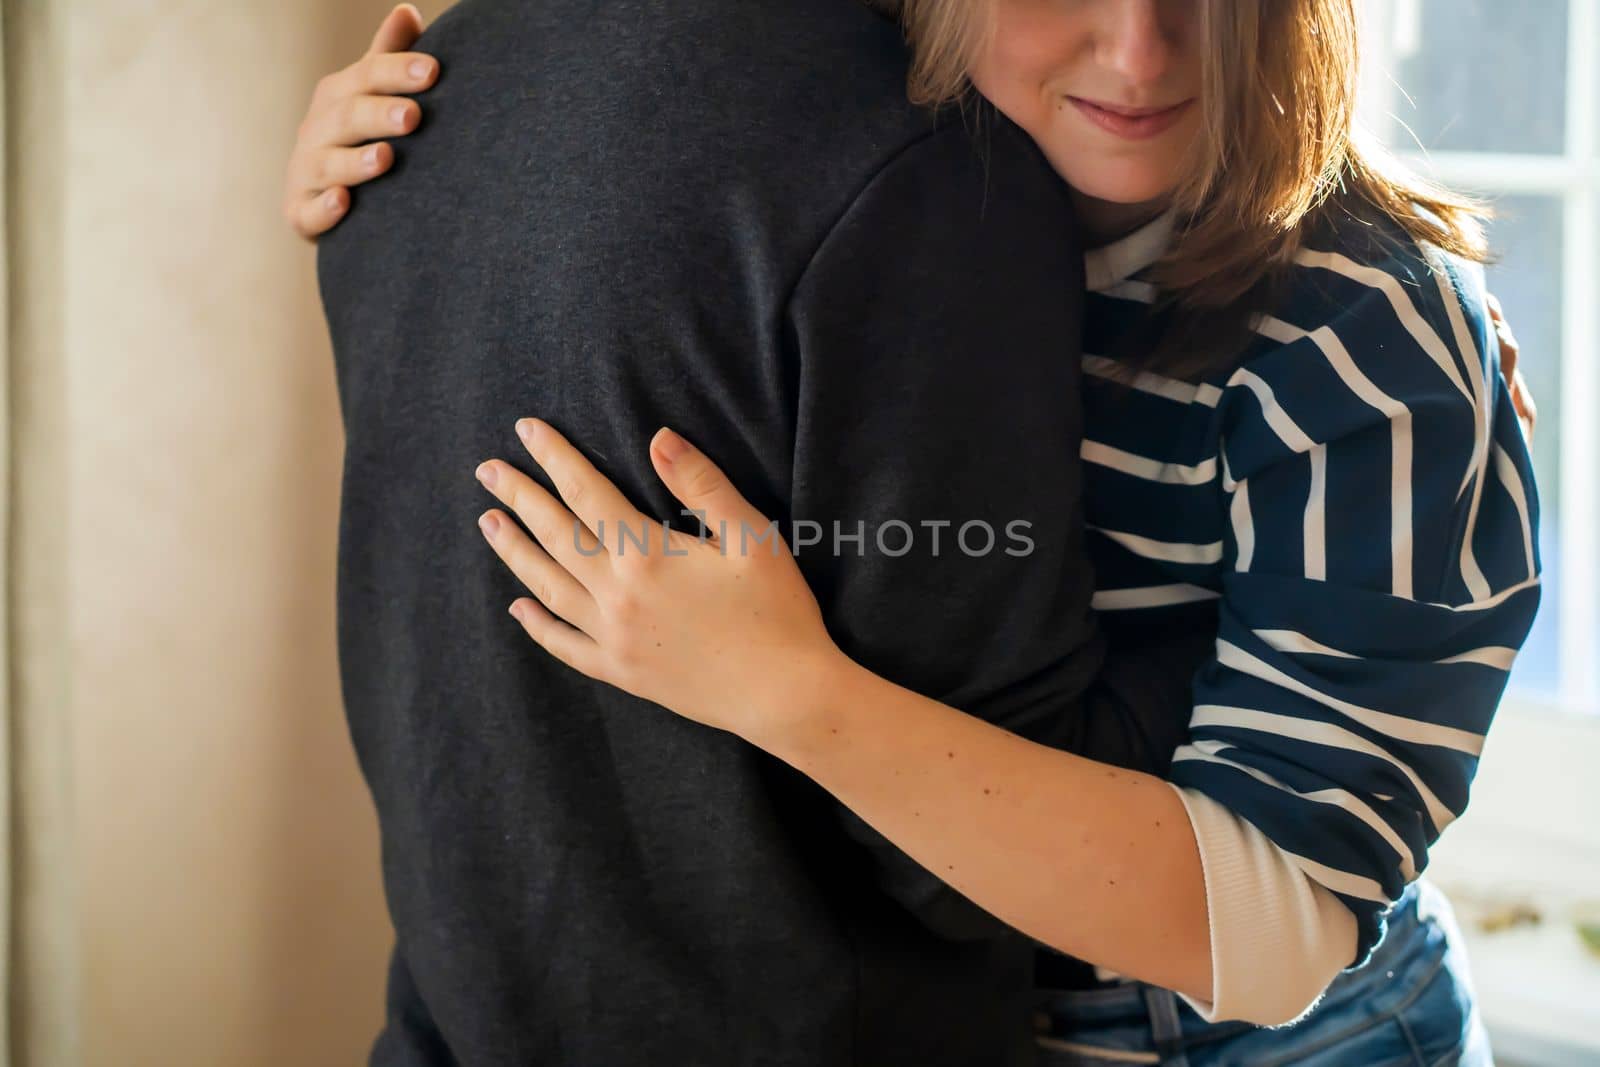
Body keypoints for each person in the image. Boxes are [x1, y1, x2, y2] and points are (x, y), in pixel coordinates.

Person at [294, 2, 1542, 1066]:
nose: (1142, 50)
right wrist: (383, 133)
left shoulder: (1364, 335)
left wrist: (783, 687)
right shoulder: (900, 170)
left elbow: (1276, 931)